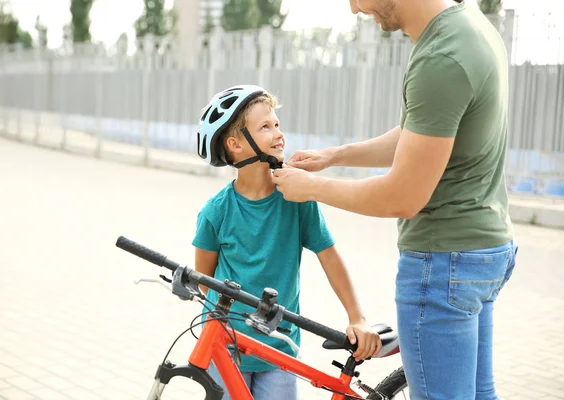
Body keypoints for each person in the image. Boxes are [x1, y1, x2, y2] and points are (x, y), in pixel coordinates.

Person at [271, 1, 518, 399]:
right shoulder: (469, 26)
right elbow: (422, 134)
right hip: (483, 250)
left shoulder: (441, 57)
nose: (353, 9)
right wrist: (336, 156)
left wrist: (313, 188)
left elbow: (402, 197)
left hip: (444, 262)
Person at [192, 84, 382, 400]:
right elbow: (204, 281)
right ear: (235, 144)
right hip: (226, 347)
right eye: (265, 126)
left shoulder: (298, 198)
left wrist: (356, 316)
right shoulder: (217, 211)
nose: (278, 133)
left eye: (277, 124)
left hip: (278, 349)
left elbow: (330, 257)